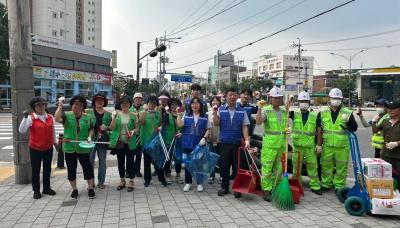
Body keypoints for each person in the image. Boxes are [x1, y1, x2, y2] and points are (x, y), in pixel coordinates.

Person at [55, 95, 96, 199]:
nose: (77, 107)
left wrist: (90, 137)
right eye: (75, 104)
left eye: (80, 105)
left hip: (83, 147)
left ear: (83, 107)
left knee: (87, 168)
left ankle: (90, 188)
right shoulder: (66, 115)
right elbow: (57, 118)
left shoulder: (87, 117)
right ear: (72, 105)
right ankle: (74, 189)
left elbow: (91, 129)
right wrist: (60, 105)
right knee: (71, 169)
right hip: (69, 147)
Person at [319, 88, 357, 193]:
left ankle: (339, 186)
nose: (336, 100)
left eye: (338, 98)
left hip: (342, 146)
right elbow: (318, 130)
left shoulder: (347, 112)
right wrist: (318, 145)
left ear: (341, 99)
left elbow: (354, 128)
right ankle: (326, 184)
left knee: (341, 167)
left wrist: (348, 121)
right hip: (327, 145)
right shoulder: (323, 112)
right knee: (326, 165)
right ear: (329, 99)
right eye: (334, 98)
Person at [213, 88, 250, 196]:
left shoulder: (242, 111)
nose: (232, 97)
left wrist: (247, 139)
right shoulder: (221, 109)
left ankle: (237, 188)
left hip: (237, 143)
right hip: (224, 143)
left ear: (237, 97)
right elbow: (216, 123)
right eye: (230, 95)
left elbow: (244, 126)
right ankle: (224, 187)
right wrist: (215, 114)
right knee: (224, 166)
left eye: (234, 95)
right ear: (226, 97)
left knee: (238, 167)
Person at [19, 97, 57, 199]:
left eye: (42, 105)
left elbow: (53, 131)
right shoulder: (31, 118)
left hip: (48, 147)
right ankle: (36, 190)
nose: (40, 107)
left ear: (45, 106)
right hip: (35, 148)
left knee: (47, 169)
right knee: (36, 170)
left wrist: (55, 142)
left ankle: (46, 188)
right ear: (34, 107)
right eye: (38, 105)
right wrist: (25, 117)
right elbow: (22, 130)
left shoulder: (50, 117)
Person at [255, 86, 288, 201]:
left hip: (281, 145)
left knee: (278, 169)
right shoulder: (266, 110)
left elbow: (284, 126)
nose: (277, 100)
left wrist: (287, 130)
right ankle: (266, 190)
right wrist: (259, 108)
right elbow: (258, 122)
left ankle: (275, 187)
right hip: (270, 146)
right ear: (270, 98)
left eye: (279, 98)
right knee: (267, 169)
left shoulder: (284, 111)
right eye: (275, 98)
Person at [289, 91, 322, 195]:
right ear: (298, 102)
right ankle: (296, 184)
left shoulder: (314, 115)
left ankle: (315, 186)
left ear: (309, 102)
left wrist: (319, 144)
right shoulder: (294, 114)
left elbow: (319, 130)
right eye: (301, 101)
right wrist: (289, 102)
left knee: (312, 166)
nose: (304, 103)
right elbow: (284, 112)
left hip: (309, 147)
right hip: (297, 146)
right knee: (296, 166)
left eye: (305, 101)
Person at [177, 97, 211, 192]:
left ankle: (199, 183)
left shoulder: (205, 116)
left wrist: (204, 138)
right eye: (193, 103)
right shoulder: (186, 115)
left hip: (199, 144)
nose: (194, 105)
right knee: (188, 164)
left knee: (199, 164)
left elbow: (208, 128)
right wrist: (178, 116)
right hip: (187, 143)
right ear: (190, 105)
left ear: (201, 105)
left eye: (197, 103)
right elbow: (180, 125)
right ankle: (188, 182)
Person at [109, 96, 139, 192]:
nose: (125, 105)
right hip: (120, 142)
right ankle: (122, 181)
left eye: (127, 103)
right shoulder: (117, 114)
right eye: (123, 103)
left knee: (130, 162)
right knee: (120, 162)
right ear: (120, 105)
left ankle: (131, 181)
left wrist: (133, 132)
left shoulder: (134, 115)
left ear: (130, 104)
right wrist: (113, 117)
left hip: (130, 141)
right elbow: (112, 127)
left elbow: (137, 128)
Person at [139, 96, 167, 187]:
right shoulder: (143, 112)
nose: (152, 105)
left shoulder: (158, 113)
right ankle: (147, 179)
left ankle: (162, 179)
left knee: (158, 160)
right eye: (150, 103)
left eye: (154, 103)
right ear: (147, 103)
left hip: (155, 142)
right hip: (146, 141)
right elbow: (142, 122)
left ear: (156, 105)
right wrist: (144, 112)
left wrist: (160, 127)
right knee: (146, 162)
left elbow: (161, 123)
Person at [86, 93, 111, 189]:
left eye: (101, 100)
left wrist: (107, 127)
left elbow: (112, 127)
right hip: (90, 140)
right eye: (97, 100)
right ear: (94, 102)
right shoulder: (88, 112)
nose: (99, 102)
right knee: (90, 162)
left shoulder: (108, 114)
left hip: (103, 141)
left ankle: (101, 182)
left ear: (104, 102)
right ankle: (91, 182)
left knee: (102, 162)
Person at [375, 101, 400, 186]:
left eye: (393, 109)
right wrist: (374, 122)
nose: (390, 110)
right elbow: (375, 131)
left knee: (398, 179)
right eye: (389, 108)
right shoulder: (385, 121)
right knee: (384, 179)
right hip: (385, 155)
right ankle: (386, 198)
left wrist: (397, 143)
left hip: (398, 157)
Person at [165, 97, 184, 184]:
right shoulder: (167, 114)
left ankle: (178, 175)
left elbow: (183, 127)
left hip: (179, 141)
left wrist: (181, 134)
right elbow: (164, 127)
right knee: (168, 158)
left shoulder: (182, 115)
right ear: (169, 106)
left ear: (179, 106)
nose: (174, 106)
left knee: (178, 158)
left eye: (176, 104)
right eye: (172, 104)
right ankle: (168, 175)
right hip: (169, 140)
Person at [130, 92, 144, 177]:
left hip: (140, 134)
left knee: (139, 153)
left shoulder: (144, 110)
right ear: (133, 99)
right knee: (130, 153)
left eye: (139, 98)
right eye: (136, 98)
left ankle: (137, 170)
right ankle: (129, 169)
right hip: (131, 134)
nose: (138, 100)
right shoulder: (129, 109)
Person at [208, 96, 222, 184]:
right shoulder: (208, 113)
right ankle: (211, 176)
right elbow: (207, 126)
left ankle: (222, 175)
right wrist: (209, 136)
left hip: (220, 139)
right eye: (213, 101)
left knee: (221, 158)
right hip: (210, 138)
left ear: (219, 103)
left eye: (217, 101)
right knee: (211, 158)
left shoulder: (222, 112)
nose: (215, 103)